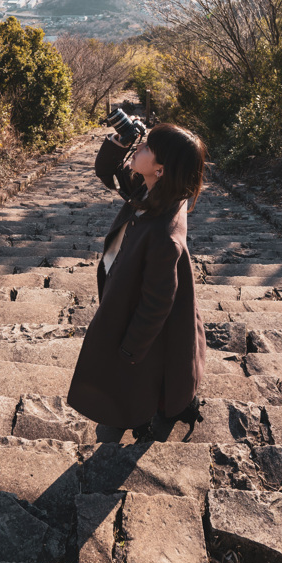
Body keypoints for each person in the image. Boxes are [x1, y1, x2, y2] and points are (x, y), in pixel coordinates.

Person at [67, 121, 207, 439]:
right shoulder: (151, 190)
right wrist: (121, 140)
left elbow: (157, 303)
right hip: (131, 293)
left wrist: (131, 348)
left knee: (140, 366)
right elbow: (107, 171)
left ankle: (143, 413)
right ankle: (154, 405)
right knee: (151, 365)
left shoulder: (163, 234)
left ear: (160, 169)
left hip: (147, 318)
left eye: (146, 148)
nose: (139, 148)